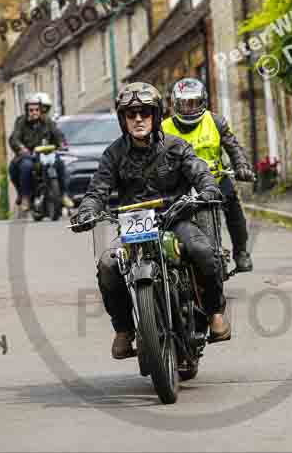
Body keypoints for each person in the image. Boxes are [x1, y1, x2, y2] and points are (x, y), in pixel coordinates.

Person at [71, 81, 231, 360]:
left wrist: (208, 188)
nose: (138, 119)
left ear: (156, 116)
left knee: (203, 251)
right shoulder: (113, 154)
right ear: (123, 119)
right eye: (130, 114)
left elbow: (198, 170)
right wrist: (87, 210)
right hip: (133, 225)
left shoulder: (176, 146)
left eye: (144, 112)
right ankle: (123, 330)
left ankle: (215, 312)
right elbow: (97, 189)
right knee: (108, 264)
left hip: (175, 218)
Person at [162, 78, 255, 273]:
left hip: (217, 179)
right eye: (184, 104)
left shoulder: (216, 121)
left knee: (234, 209)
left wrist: (242, 166)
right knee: (168, 216)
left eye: (193, 103)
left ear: (203, 102)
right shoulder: (163, 129)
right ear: (175, 104)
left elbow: (233, 147)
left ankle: (241, 252)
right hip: (182, 184)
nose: (189, 109)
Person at [8, 95, 73, 211]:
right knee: (25, 166)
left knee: (60, 163)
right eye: (31, 110)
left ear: (41, 110)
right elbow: (14, 138)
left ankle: (63, 195)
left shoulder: (47, 121)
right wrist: (21, 147)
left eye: (37, 110)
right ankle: (26, 197)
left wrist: (62, 143)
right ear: (27, 111)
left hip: (47, 154)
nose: (34, 112)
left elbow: (57, 134)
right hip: (29, 156)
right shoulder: (21, 122)